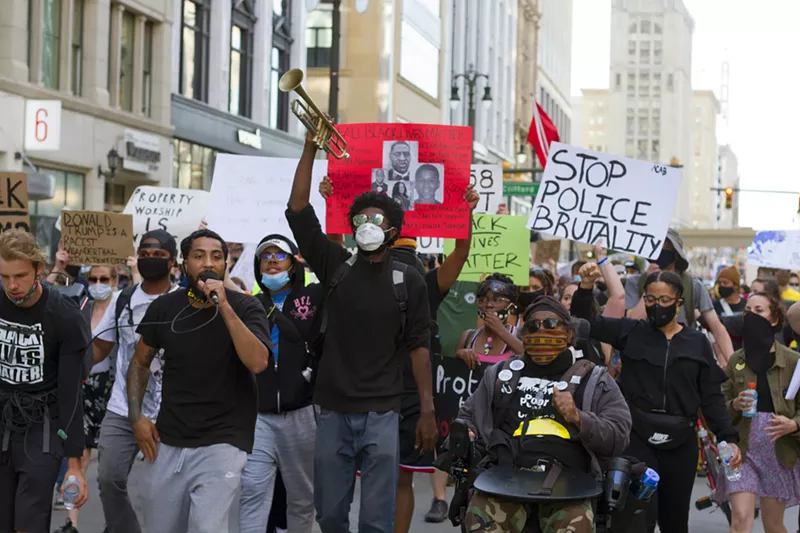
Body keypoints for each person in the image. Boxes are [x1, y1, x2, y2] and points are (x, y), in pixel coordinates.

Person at [287, 132, 437, 533]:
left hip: (382, 413)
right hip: (333, 410)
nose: (367, 224)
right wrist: (310, 148)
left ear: (393, 230)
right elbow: (298, 209)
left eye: (377, 219)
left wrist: (427, 410)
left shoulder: (409, 281)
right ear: (352, 226)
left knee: (376, 518)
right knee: (331, 513)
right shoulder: (335, 266)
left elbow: (419, 347)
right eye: (361, 219)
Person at [573, 263, 741, 533]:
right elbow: (586, 323)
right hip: (636, 438)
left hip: (681, 442)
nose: (656, 306)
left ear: (679, 303)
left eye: (664, 300)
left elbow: (711, 397)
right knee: (633, 518)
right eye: (650, 299)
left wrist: (727, 439)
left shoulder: (697, 342)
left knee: (675, 521)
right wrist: (585, 288)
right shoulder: (630, 331)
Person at [129, 229, 271, 533]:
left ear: (226, 265)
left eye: (217, 257)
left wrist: (225, 306)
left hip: (224, 442)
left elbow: (258, 362)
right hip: (167, 440)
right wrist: (136, 417)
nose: (208, 263)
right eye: (199, 255)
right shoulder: (164, 308)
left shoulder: (246, 307)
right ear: (183, 264)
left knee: (207, 528)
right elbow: (139, 363)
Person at [458, 296, 632, 533]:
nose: (541, 331)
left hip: (570, 483)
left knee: (576, 524)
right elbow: (468, 416)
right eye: (532, 326)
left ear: (568, 334)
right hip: (506, 476)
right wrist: (464, 433)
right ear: (523, 335)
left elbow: (619, 435)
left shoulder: (594, 379)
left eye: (550, 324)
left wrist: (578, 417)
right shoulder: (501, 374)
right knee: (478, 517)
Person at [0, 229, 89, 533]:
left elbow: (71, 393)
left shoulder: (64, 316)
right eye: (4, 276)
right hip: (2, 419)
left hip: (43, 427)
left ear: (39, 269)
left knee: (29, 520)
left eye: (20, 275)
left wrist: (75, 463)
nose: (12, 285)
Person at [92, 230, 179, 533]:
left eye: (158, 255)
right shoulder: (122, 300)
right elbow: (100, 347)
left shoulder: (183, 301)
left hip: (172, 413)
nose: (150, 259)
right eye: (144, 253)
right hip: (122, 407)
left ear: (173, 262)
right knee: (108, 478)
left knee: (161, 492)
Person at [238, 234, 323, 533]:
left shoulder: (312, 296)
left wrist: (318, 258)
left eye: (279, 255)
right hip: (258, 415)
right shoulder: (249, 303)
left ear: (293, 262)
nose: (272, 262)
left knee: (302, 497)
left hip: (301, 413)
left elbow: (342, 277)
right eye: (265, 256)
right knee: (251, 488)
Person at [722, 292, 800, 533]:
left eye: (758, 311)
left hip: (778, 452)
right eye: (747, 311)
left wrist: (794, 424)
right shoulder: (736, 360)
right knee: (741, 518)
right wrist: (734, 404)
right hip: (741, 452)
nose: (751, 316)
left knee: (773, 525)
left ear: (774, 319)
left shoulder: (793, 361)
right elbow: (718, 403)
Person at [54, 265, 119, 529]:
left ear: (114, 281)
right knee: (77, 456)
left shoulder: (120, 305)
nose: (98, 283)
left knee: (109, 468)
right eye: (93, 278)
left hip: (111, 389)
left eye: (104, 278)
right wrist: (58, 267)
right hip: (81, 385)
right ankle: (71, 522)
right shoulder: (80, 306)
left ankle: (112, 522)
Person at [624, 228, 735, 366]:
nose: (660, 254)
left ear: (676, 254)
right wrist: (649, 284)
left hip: (684, 359)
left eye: (666, 250)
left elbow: (717, 328)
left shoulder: (692, 286)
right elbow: (630, 323)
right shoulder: (635, 283)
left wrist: (733, 368)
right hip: (645, 359)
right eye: (656, 248)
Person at [454, 275, 524, 370]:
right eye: (483, 300)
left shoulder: (520, 335)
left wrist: (500, 330)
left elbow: (529, 359)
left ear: (511, 307)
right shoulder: (468, 337)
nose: (489, 305)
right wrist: (460, 354)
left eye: (497, 300)